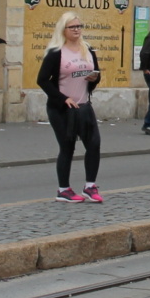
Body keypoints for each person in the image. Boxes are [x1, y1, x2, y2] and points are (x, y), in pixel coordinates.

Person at [37, 11, 104, 203]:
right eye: (73, 27)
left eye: (79, 26)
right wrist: (62, 98)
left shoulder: (88, 49)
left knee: (94, 145)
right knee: (67, 147)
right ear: (63, 30)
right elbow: (42, 80)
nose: (77, 30)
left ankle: (90, 187)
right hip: (62, 109)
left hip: (84, 106)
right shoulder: (56, 52)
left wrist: (94, 78)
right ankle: (63, 190)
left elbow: (95, 75)